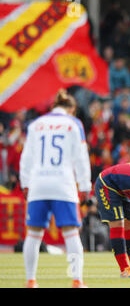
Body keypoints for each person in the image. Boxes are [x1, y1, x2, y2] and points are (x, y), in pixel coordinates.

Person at [19, 89, 91, 288]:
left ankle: (31, 281)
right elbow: (81, 158)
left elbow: (26, 158)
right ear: (72, 109)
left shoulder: (36, 125)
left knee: (33, 235)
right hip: (63, 184)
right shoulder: (74, 124)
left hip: (38, 183)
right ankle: (77, 280)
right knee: (71, 234)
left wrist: (25, 184)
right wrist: (85, 186)